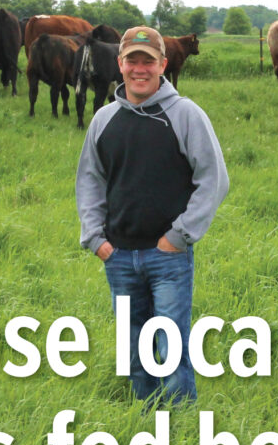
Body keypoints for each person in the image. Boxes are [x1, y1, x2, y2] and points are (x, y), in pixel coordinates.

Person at [76, 25, 228, 404]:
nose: (139, 69)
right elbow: (90, 181)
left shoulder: (186, 115)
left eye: (148, 61)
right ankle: (145, 417)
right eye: (132, 61)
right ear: (120, 64)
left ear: (163, 64)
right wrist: (96, 239)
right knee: (133, 348)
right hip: (119, 256)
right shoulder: (104, 119)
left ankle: (179, 424)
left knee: (170, 345)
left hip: (168, 257)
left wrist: (179, 236)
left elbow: (214, 179)